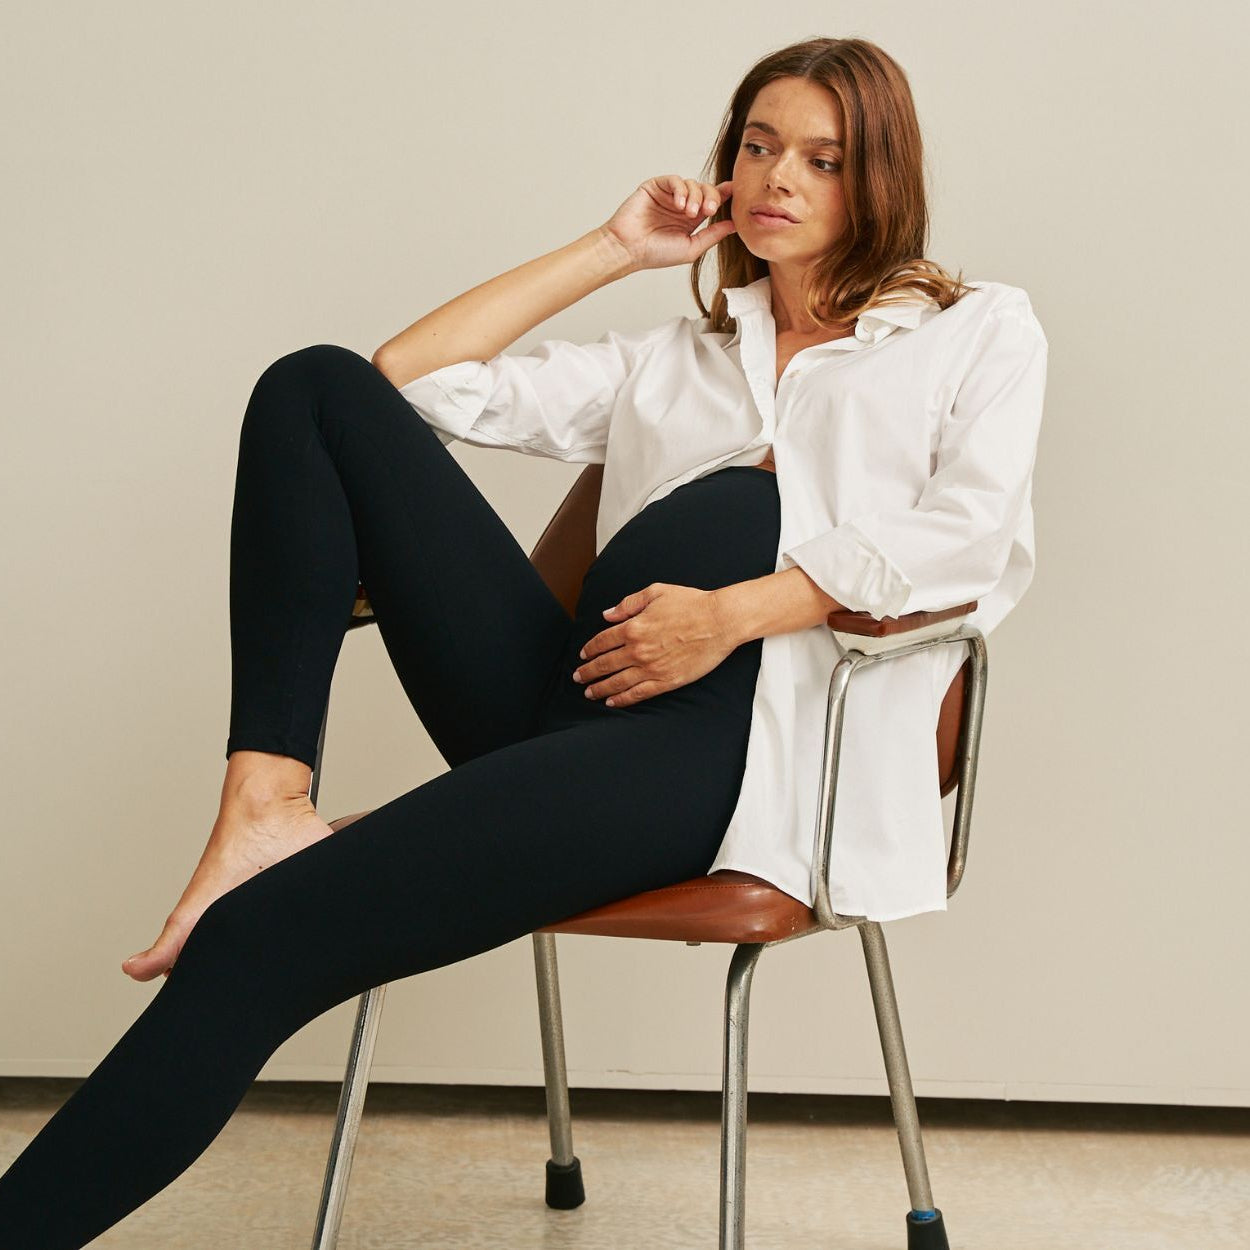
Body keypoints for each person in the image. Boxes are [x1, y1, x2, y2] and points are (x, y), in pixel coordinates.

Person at [0, 34, 1046, 1247]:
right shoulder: (679, 357)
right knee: (317, 387)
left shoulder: (973, 332)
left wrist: (733, 613)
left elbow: (967, 539)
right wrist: (613, 250)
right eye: (757, 146)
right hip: (565, 704)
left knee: (257, 939)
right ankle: (263, 795)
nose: (778, 177)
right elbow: (408, 382)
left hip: (732, 753)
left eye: (821, 157)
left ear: (878, 178)